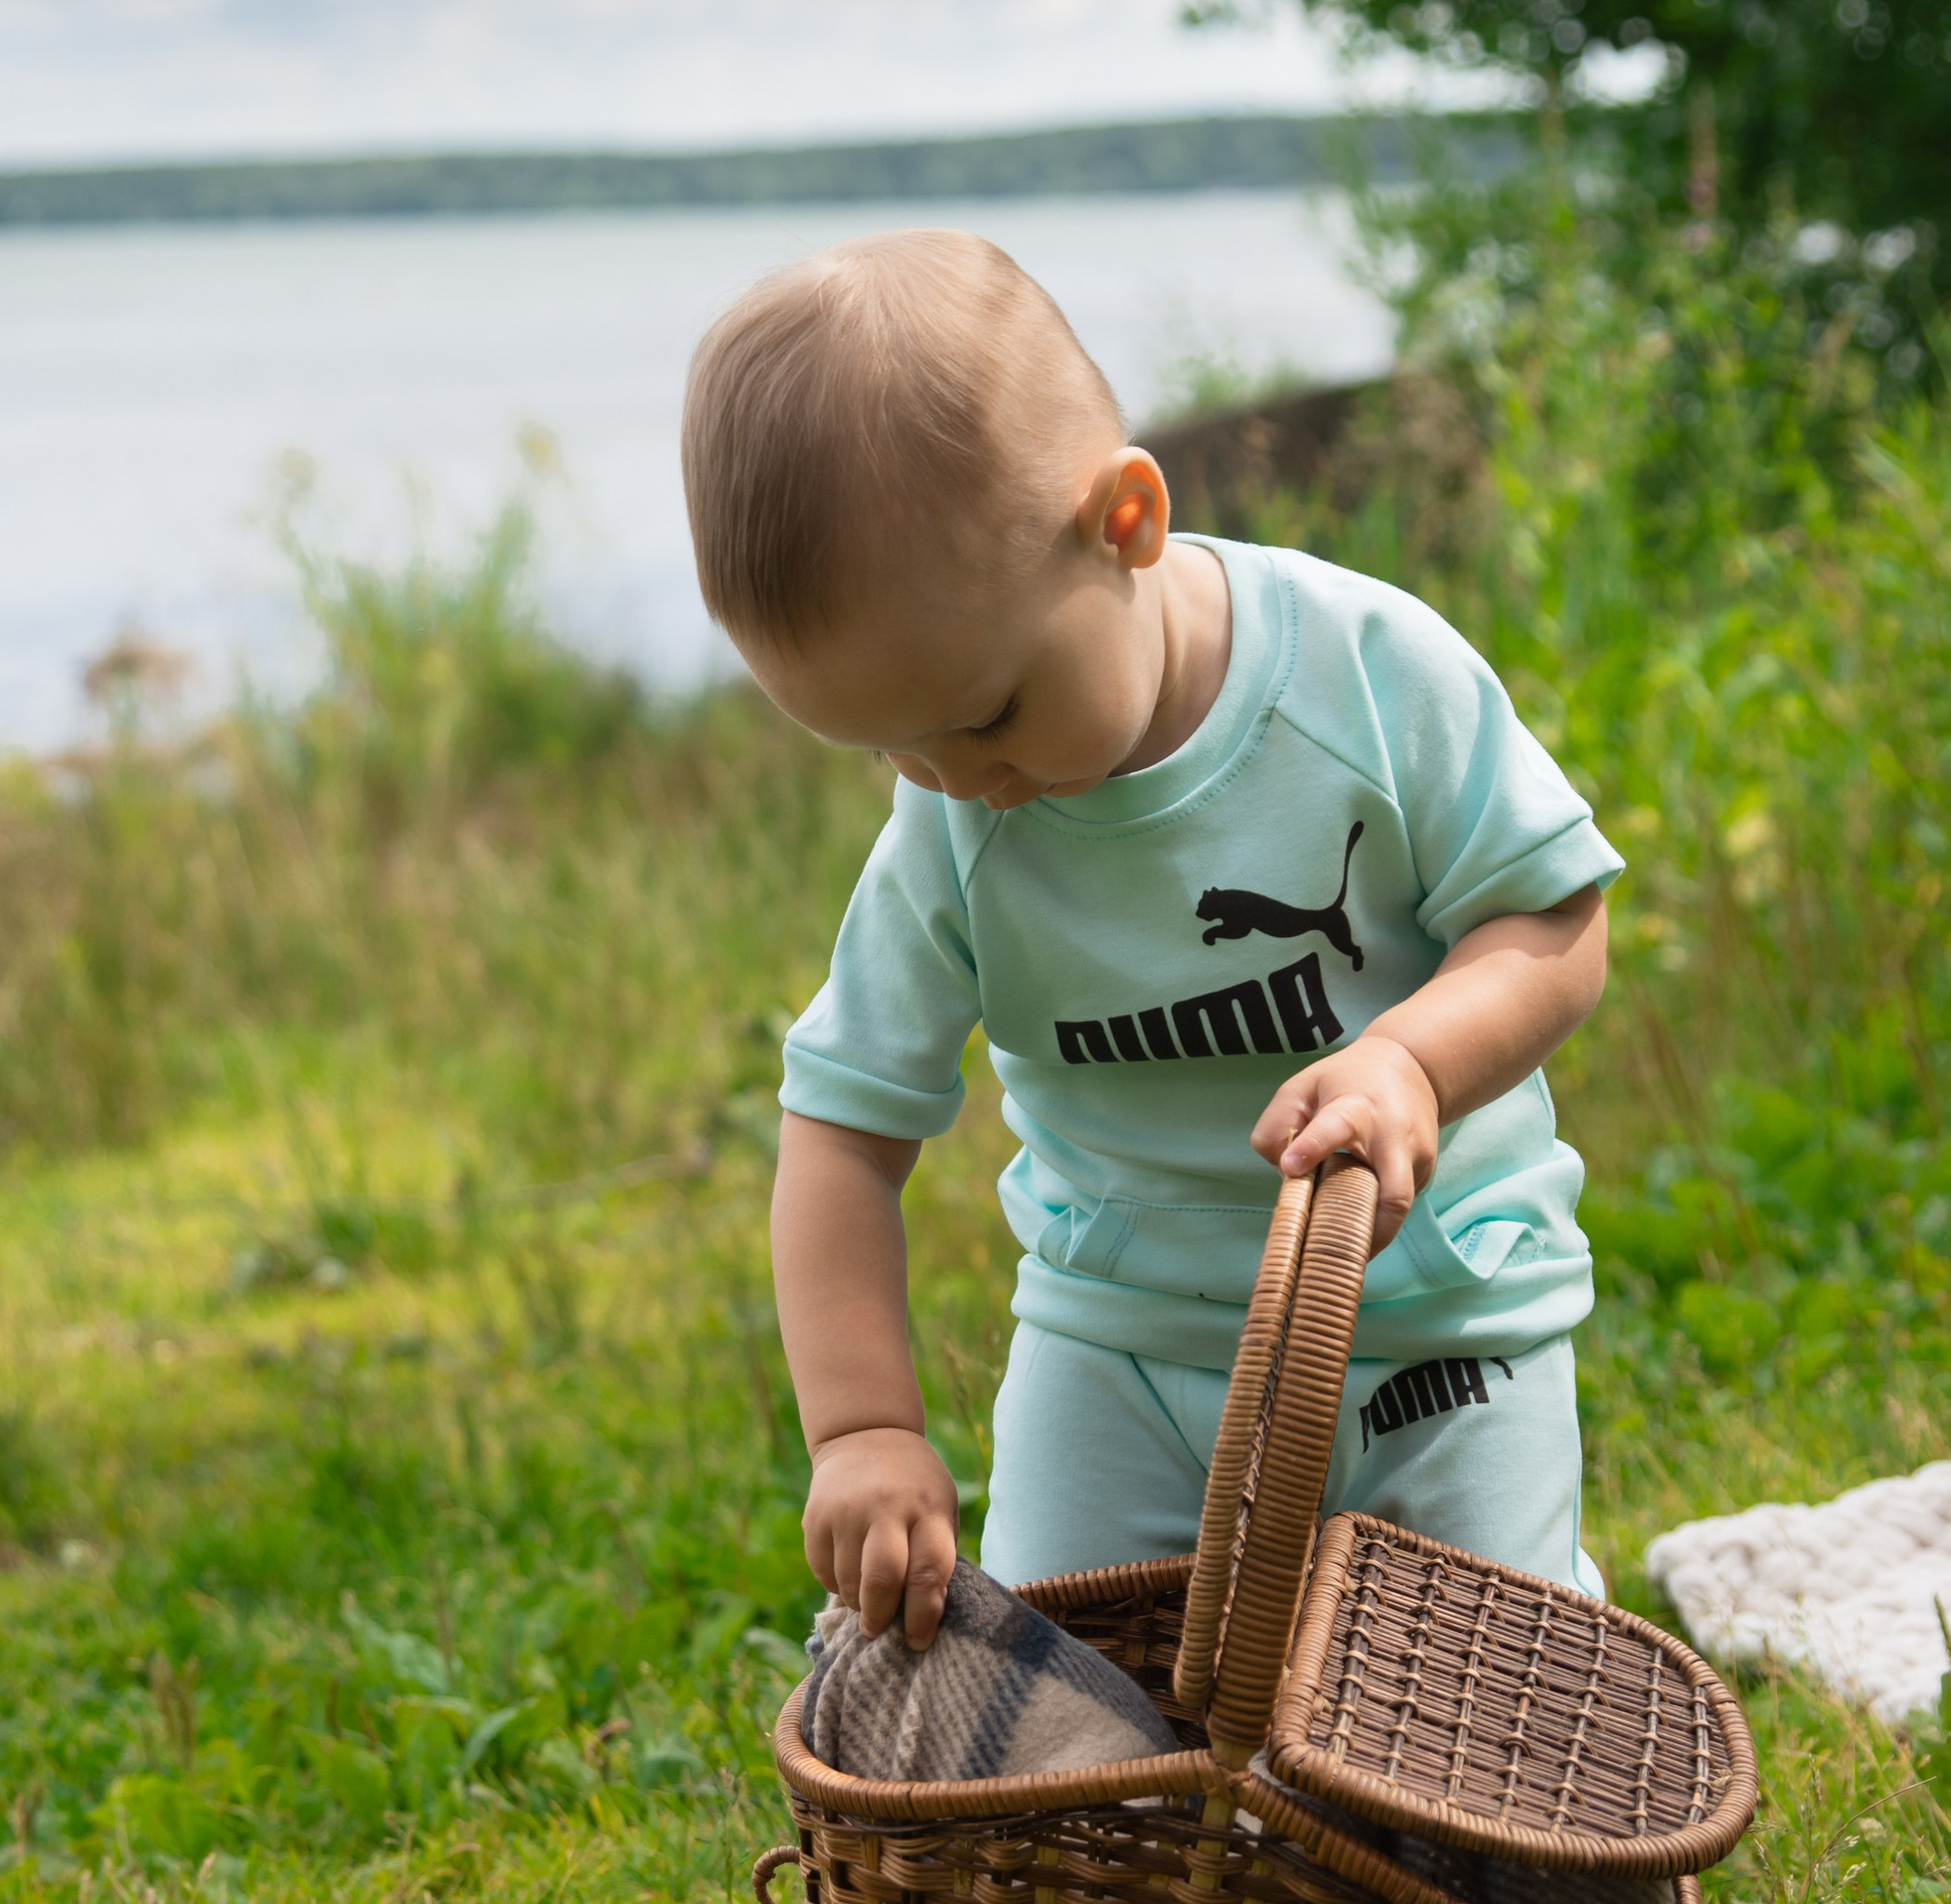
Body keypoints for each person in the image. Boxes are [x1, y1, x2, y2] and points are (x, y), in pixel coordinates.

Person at [680, 229, 1623, 1657]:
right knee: (1054, 1718)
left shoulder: (1370, 677)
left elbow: (1553, 921)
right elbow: (841, 1131)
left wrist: (1413, 1065)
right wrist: (863, 1428)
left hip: (1440, 1325)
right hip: (1123, 1357)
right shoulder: (952, 828)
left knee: (1493, 1702)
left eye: (985, 715)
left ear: (1125, 522)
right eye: (889, 749)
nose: (954, 781)